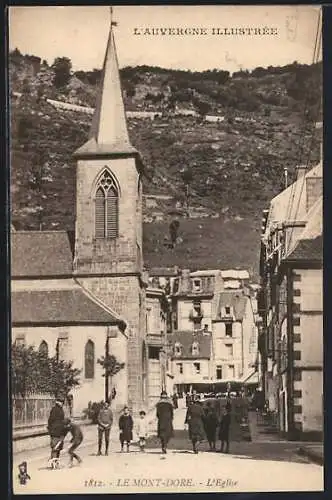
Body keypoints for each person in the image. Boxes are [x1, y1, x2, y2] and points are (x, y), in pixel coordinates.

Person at [47, 397, 66, 466]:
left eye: (62, 402)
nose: (62, 404)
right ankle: (53, 463)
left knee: (58, 447)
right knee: (55, 447)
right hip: (55, 432)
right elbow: (50, 420)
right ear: (58, 402)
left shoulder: (60, 409)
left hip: (59, 431)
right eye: (61, 402)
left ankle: (56, 462)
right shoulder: (55, 409)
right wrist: (51, 429)